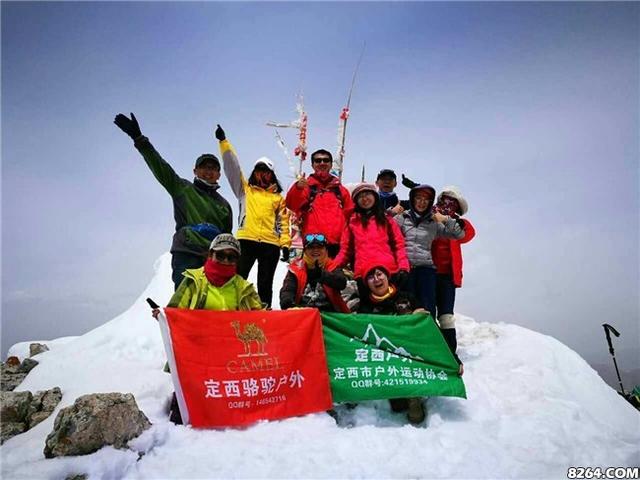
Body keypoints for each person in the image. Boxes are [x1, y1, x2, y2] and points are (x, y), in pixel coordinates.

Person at [153, 234, 263, 424]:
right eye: (221, 255)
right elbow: (175, 311)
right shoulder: (194, 281)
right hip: (197, 352)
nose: (226, 261)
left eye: (232, 257)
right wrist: (163, 317)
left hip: (230, 356)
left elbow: (260, 317)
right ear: (210, 255)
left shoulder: (244, 287)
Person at [114, 113, 232, 290]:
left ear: (219, 174)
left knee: (214, 307)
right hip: (187, 253)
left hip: (213, 260)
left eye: (213, 168)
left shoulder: (224, 205)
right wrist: (139, 139)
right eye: (204, 167)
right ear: (195, 171)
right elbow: (160, 167)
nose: (209, 171)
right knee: (187, 302)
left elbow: (227, 238)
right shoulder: (182, 188)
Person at [215, 125, 290, 308]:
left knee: (265, 282)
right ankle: (232, 307)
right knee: (238, 277)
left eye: (265, 171)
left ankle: (264, 311)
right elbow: (232, 167)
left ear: (272, 175)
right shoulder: (244, 191)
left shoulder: (278, 198)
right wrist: (224, 142)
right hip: (246, 239)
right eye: (258, 170)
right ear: (253, 173)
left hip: (270, 244)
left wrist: (285, 244)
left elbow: (284, 222)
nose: (261, 174)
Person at [357, 264, 426, 425]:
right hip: (384, 361)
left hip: (411, 355)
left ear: (388, 277)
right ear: (367, 284)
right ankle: (400, 397)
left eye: (380, 274)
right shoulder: (366, 307)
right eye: (371, 277)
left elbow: (431, 331)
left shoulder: (407, 298)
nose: (376, 279)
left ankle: (413, 395)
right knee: (397, 407)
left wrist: (454, 360)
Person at [394, 184, 465, 322]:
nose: (422, 202)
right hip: (404, 269)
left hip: (426, 270)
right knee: (405, 308)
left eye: (426, 199)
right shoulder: (402, 218)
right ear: (412, 200)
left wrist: (446, 219)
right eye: (418, 198)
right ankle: (407, 341)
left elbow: (458, 235)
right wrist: (392, 211)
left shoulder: (433, 222)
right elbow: (385, 231)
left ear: (430, 202)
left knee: (428, 309)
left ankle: (428, 340)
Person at [431, 186, 475, 367]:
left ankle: (450, 353)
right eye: (445, 199)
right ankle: (430, 349)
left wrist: (448, 220)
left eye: (452, 201)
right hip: (428, 271)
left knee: (446, 316)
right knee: (427, 313)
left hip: (448, 276)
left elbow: (468, 234)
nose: (447, 203)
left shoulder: (459, 224)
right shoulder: (430, 216)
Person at [334, 183, 409, 286]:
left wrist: (403, 267)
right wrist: (333, 267)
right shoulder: (352, 222)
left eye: (367, 194)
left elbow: (399, 246)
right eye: (360, 196)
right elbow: (345, 250)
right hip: (363, 274)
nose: (364, 199)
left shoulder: (387, 220)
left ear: (375, 196)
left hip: (389, 272)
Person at [285, 149, 354, 258]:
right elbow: (291, 205)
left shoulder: (341, 190)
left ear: (331, 164)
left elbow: (351, 215)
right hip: (313, 244)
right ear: (312, 165)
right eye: (318, 161)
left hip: (338, 245)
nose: (322, 163)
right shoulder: (305, 187)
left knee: (336, 274)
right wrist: (297, 188)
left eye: (326, 160)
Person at [279, 233, 350, 313]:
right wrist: (288, 304)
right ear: (304, 251)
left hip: (330, 314)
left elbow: (342, 283)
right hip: (304, 314)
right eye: (311, 247)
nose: (315, 250)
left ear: (326, 250)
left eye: (319, 247)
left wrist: (321, 274)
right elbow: (287, 290)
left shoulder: (333, 266)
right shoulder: (295, 269)